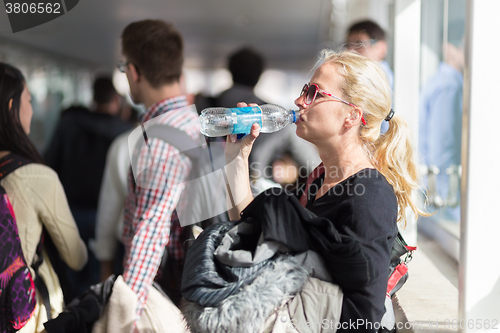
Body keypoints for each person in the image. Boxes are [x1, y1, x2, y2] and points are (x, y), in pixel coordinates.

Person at [182, 50, 427, 333]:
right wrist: (236, 156)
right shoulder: (319, 178)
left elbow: (364, 317)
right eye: (303, 90)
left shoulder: (369, 196)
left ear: (351, 115)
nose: (299, 101)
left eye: (314, 93)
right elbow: (249, 225)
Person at [118, 19, 200, 323]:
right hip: (195, 285)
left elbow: (150, 229)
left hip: (170, 293)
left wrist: (128, 312)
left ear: (134, 71)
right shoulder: (195, 123)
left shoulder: (160, 136)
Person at [0, 63, 87, 332]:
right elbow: (76, 257)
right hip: (23, 313)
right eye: (29, 100)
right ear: (12, 106)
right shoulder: (35, 176)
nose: (33, 109)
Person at [44, 76, 132, 300]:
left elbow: (50, 163)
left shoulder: (69, 124)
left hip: (67, 210)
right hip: (105, 216)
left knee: (67, 272)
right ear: (115, 99)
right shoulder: (124, 133)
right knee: (97, 277)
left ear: (92, 96)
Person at [217, 47, 320, 185]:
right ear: (259, 76)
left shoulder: (207, 106)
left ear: (230, 71)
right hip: (254, 194)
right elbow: (314, 166)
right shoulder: (274, 117)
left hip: (209, 193)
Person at [419, 20, 465, 221]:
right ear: (448, 48)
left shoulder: (440, 81)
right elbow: (442, 150)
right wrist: (448, 205)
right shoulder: (450, 86)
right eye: (465, 46)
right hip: (443, 199)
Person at [345, 19, 393, 90]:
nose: (350, 50)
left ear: (380, 48)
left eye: (359, 44)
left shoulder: (384, 81)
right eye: (348, 45)